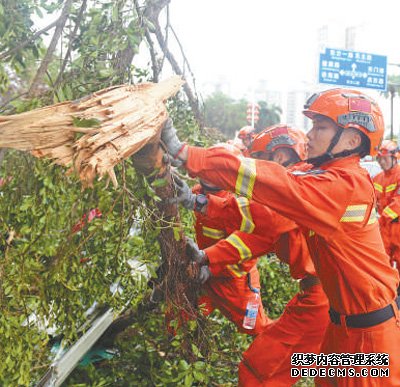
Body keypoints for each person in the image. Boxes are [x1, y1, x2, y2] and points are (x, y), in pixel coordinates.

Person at [161, 88, 400, 386]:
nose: (310, 135)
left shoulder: (343, 185)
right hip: (342, 327)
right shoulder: (322, 176)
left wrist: (189, 155)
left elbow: (277, 189)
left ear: (352, 140)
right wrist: (203, 203)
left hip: (368, 337)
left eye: (321, 127)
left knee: (260, 372)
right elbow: (264, 210)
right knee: (301, 374)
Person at [173, 127, 330, 386]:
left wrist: (207, 259)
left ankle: (313, 361)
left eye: (259, 161)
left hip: (312, 296)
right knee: (335, 368)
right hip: (329, 298)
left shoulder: (292, 192)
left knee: (258, 371)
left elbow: (252, 234)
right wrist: (205, 256)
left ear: (279, 157)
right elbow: (257, 236)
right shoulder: (301, 187)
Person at [373, 140, 400, 274]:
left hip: (396, 226)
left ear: (395, 158)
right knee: (382, 263)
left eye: (384, 159)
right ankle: (387, 293)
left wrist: (382, 219)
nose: (381, 163)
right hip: (384, 228)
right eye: (379, 159)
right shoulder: (377, 178)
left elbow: (398, 203)